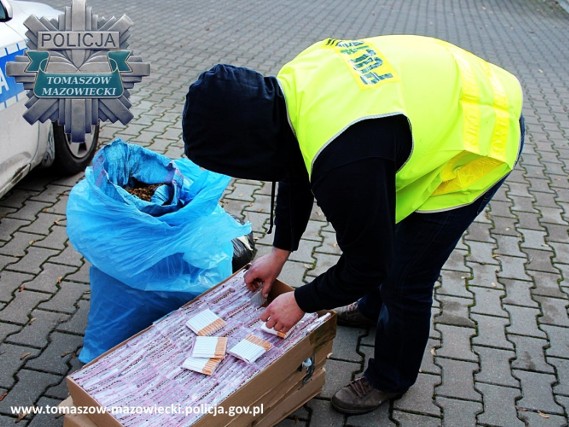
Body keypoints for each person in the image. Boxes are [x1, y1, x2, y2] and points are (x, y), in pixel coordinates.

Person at [182, 35, 524, 415]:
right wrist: (279, 253)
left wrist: (301, 301)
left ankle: (390, 378)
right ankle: (375, 308)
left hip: (481, 133)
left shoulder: (345, 160)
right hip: (446, 97)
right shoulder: (293, 87)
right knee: (384, 237)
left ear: (249, 146)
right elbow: (296, 165)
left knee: (405, 276)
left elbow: (368, 262)